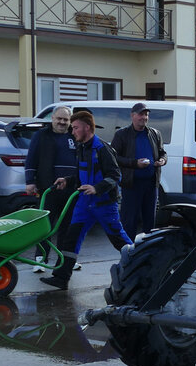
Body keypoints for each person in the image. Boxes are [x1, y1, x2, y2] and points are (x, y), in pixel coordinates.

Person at [40, 110, 130, 291]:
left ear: (87, 128)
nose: (72, 132)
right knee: (70, 240)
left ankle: (143, 265)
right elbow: (80, 174)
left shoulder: (102, 149)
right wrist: (68, 180)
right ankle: (61, 278)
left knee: (119, 241)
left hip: (104, 205)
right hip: (84, 203)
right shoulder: (81, 147)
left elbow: (115, 176)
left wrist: (97, 188)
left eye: (75, 128)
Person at [24, 106, 77, 267]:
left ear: (70, 121)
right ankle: (40, 259)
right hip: (47, 188)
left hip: (71, 190)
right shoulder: (41, 136)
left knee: (68, 227)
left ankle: (65, 260)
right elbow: (31, 159)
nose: (62, 122)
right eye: (59, 118)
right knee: (44, 225)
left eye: (65, 119)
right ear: (52, 118)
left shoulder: (74, 136)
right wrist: (29, 182)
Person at [111, 102, 167, 239]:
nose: (144, 117)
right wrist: (134, 163)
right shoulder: (122, 134)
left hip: (151, 184)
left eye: (146, 114)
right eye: (141, 114)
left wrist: (162, 160)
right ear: (132, 116)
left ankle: (148, 252)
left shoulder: (155, 133)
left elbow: (162, 153)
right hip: (131, 185)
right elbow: (113, 157)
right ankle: (128, 253)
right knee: (129, 222)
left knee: (150, 223)